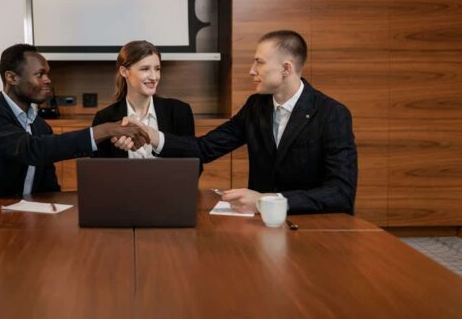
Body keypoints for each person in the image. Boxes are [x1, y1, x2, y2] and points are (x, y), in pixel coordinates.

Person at [119, 30, 358, 215]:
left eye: (259, 62)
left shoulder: (332, 114)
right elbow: (205, 148)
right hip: (261, 228)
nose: (252, 71)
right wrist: (152, 135)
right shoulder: (256, 107)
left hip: (317, 226)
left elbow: (340, 194)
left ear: (286, 69)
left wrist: (267, 201)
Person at [0, 44, 149, 200]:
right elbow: (30, 149)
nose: (48, 80)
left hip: (28, 222)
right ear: (12, 77)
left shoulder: (41, 127)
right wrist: (105, 130)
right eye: (40, 74)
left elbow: (48, 188)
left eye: (48, 74)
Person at [92, 40, 195, 159]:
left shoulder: (180, 111)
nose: (154, 77)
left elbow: (194, 164)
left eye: (157, 69)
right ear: (124, 72)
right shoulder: (104, 118)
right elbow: (99, 172)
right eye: (145, 69)